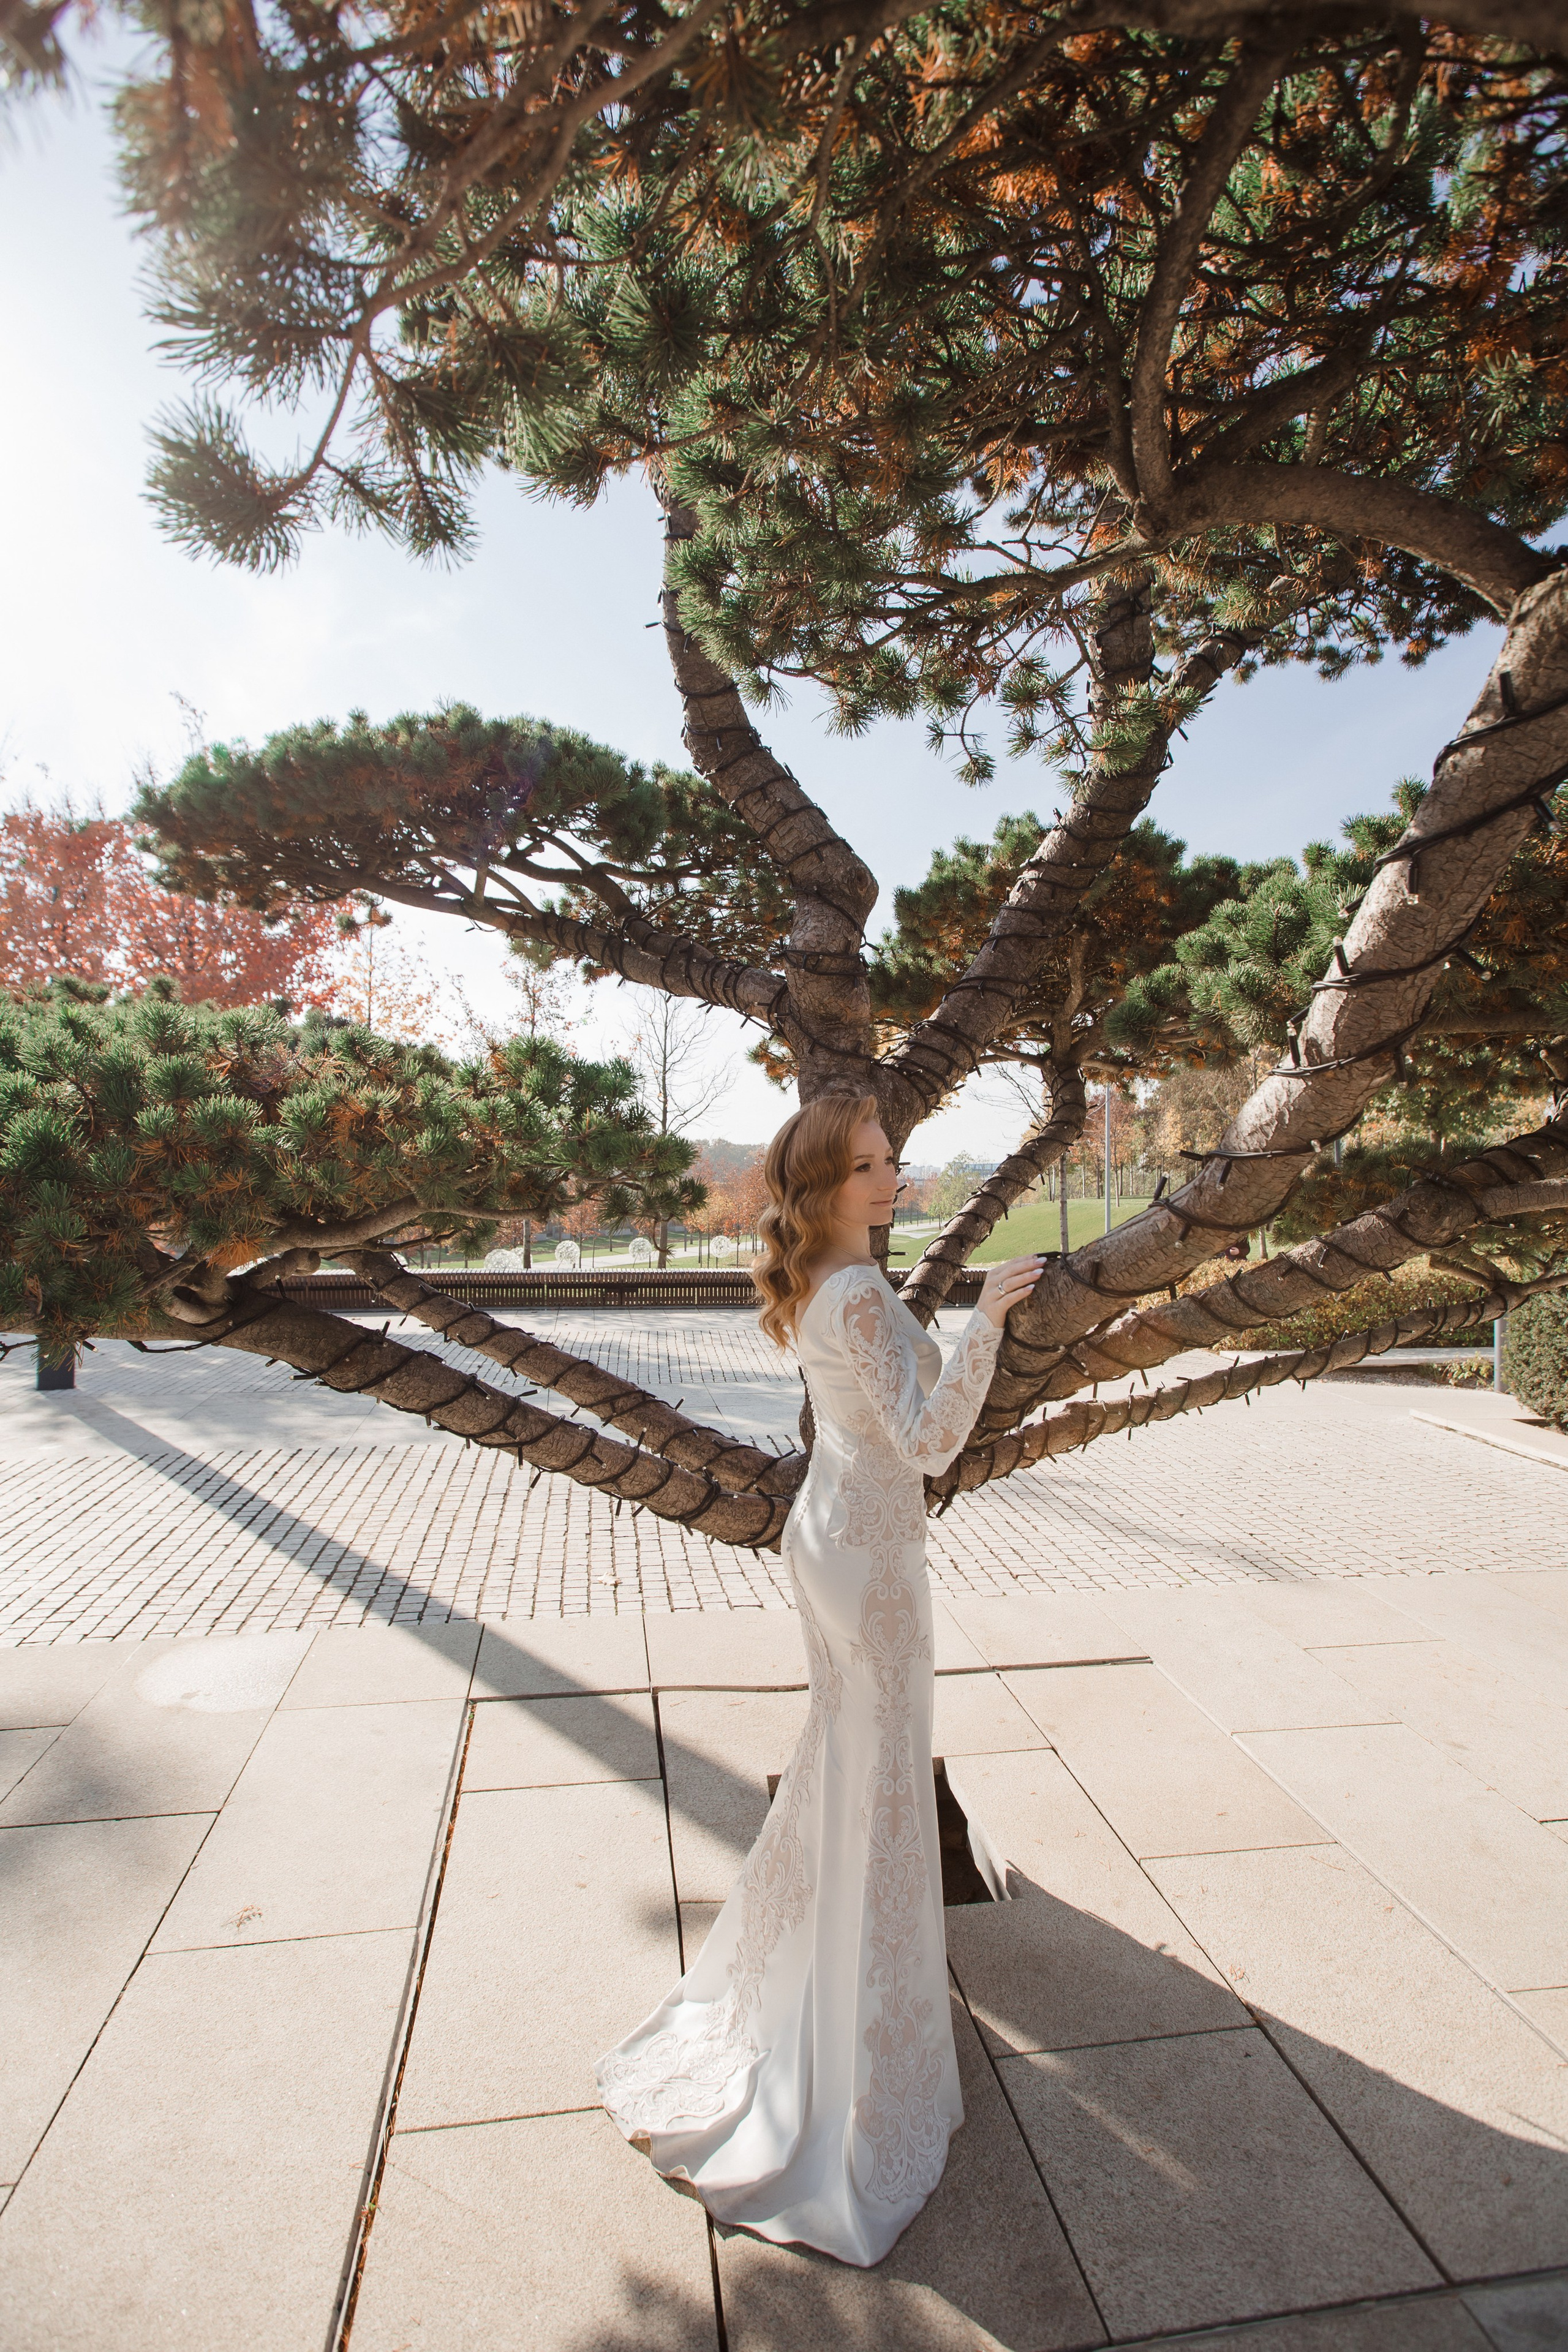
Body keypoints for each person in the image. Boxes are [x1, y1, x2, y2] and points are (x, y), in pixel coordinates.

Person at [596, 1093, 1042, 2266]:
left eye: (892, 1158)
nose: (891, 1178)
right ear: (820, 1186)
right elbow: (932, 1441)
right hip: (873, 1567)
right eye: (867, 1166)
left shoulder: (833, 1283)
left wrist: (935, 1328)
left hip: (834, 1541)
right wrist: (989, 1318)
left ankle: (822, 2006)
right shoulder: (849, 1291)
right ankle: (853, 2062)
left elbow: (882, 1386)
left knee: (849, 1771)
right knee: (882, 1788)